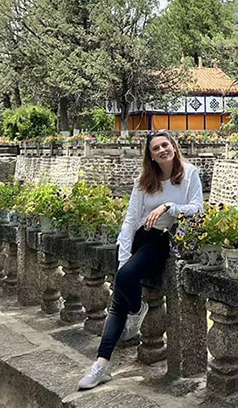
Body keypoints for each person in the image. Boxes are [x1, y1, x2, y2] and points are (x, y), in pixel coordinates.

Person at [78, 131, 203, 390]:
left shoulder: (190, 174)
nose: (162, 150)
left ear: (174, 147)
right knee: (118, 300)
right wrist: (123, 256)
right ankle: (101, 364)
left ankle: (136, 312)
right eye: (156, 148)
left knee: (123, 280)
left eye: (165, 145)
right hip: (140, 238)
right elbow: (130, 220)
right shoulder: (143, 180)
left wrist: (168, 207)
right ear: (151, 156)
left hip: (162, 240)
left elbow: (198, 208)